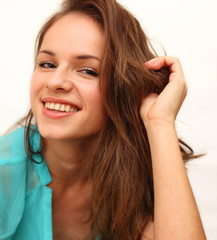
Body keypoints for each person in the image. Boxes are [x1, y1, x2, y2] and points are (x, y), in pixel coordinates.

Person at [0, 0, 206, 239]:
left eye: (88, 70)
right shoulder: (5, 169)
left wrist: (160, 122)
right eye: (47, 64)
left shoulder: (139, 176)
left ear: (123, 86)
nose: (56, 82)